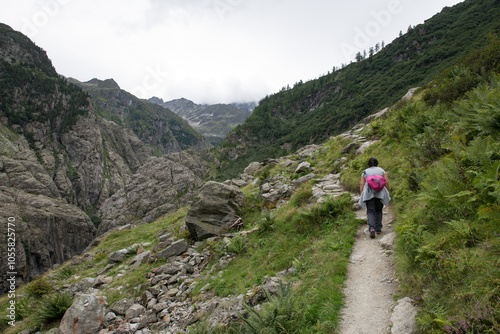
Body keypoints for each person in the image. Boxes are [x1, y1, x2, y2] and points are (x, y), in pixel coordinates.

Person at [358, 157, 391, 238]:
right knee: (379, 210)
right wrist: (387, 192)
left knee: (370, 211)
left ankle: (372, 228)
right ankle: (378, 229)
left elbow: (362, 184)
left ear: (368, 164)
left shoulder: (365, 171)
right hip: (380, 193)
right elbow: (386, 182)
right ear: (377, 163)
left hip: (369, 194)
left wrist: (362, 194)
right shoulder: (381, 170)